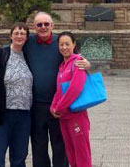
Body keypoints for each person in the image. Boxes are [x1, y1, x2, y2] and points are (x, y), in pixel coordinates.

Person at [0, 12, 90, 167]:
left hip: (59, 105)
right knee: (38, 145)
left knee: (60, 145)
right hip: (36, 105)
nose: (43, 27)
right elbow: (12, 45)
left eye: (46, 24)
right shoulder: (29, 42)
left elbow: (74, 56)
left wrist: (87, 64)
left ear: (52, 26)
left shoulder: (60, 42)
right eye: (39, 25)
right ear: (34, 27)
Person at [0, 22, 33, 167]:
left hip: (24, 115)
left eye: (23, 34)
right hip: (2, 114)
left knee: (20, 157)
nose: (19, 36)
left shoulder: (29, 57)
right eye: (16, 33)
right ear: (10, 36)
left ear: (27, 37)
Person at [50, 32, 92, 167]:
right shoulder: (62, 65)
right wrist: (53, 107)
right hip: (64, 118)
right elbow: (59, 90)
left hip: (76, 116)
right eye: (61, 44)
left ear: (74, 45)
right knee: (71, 155)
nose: (64, 47)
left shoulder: (78, 62)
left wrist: (59, 107)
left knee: (82, 156)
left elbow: (75, 88)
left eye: (67, 44)